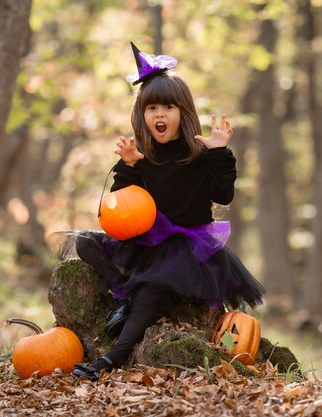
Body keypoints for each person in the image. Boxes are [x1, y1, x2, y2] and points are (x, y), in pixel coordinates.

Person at [70, 42, 265, 381]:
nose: (160, 115)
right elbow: (120, 206)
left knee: (153, 284)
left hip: (188, 246)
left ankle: (113, 357)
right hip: (147, 240)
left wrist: (221, 153)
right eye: (152, 108)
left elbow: (223, 193)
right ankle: (124, 293)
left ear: (183, 113)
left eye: (169, 108)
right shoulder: (141, 155)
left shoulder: (200, 153)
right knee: (84, 242)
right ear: (142, 115)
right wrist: (130, 166)